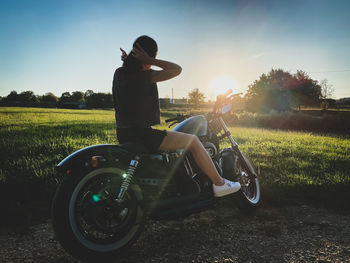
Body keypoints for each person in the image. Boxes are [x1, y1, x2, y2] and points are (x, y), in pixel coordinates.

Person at [112, 35, 240, 197]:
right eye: (152, 58)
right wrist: (150, 59)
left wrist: (131, 60)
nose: (151, 62)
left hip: (123, 133)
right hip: (141, 134)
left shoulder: (120, 73)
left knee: (173, 148)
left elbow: (130, 79)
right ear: (146, 56)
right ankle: (220, 184)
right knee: (192, 141)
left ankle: (184, 187)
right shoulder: (144, 76)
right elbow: (176, 69)